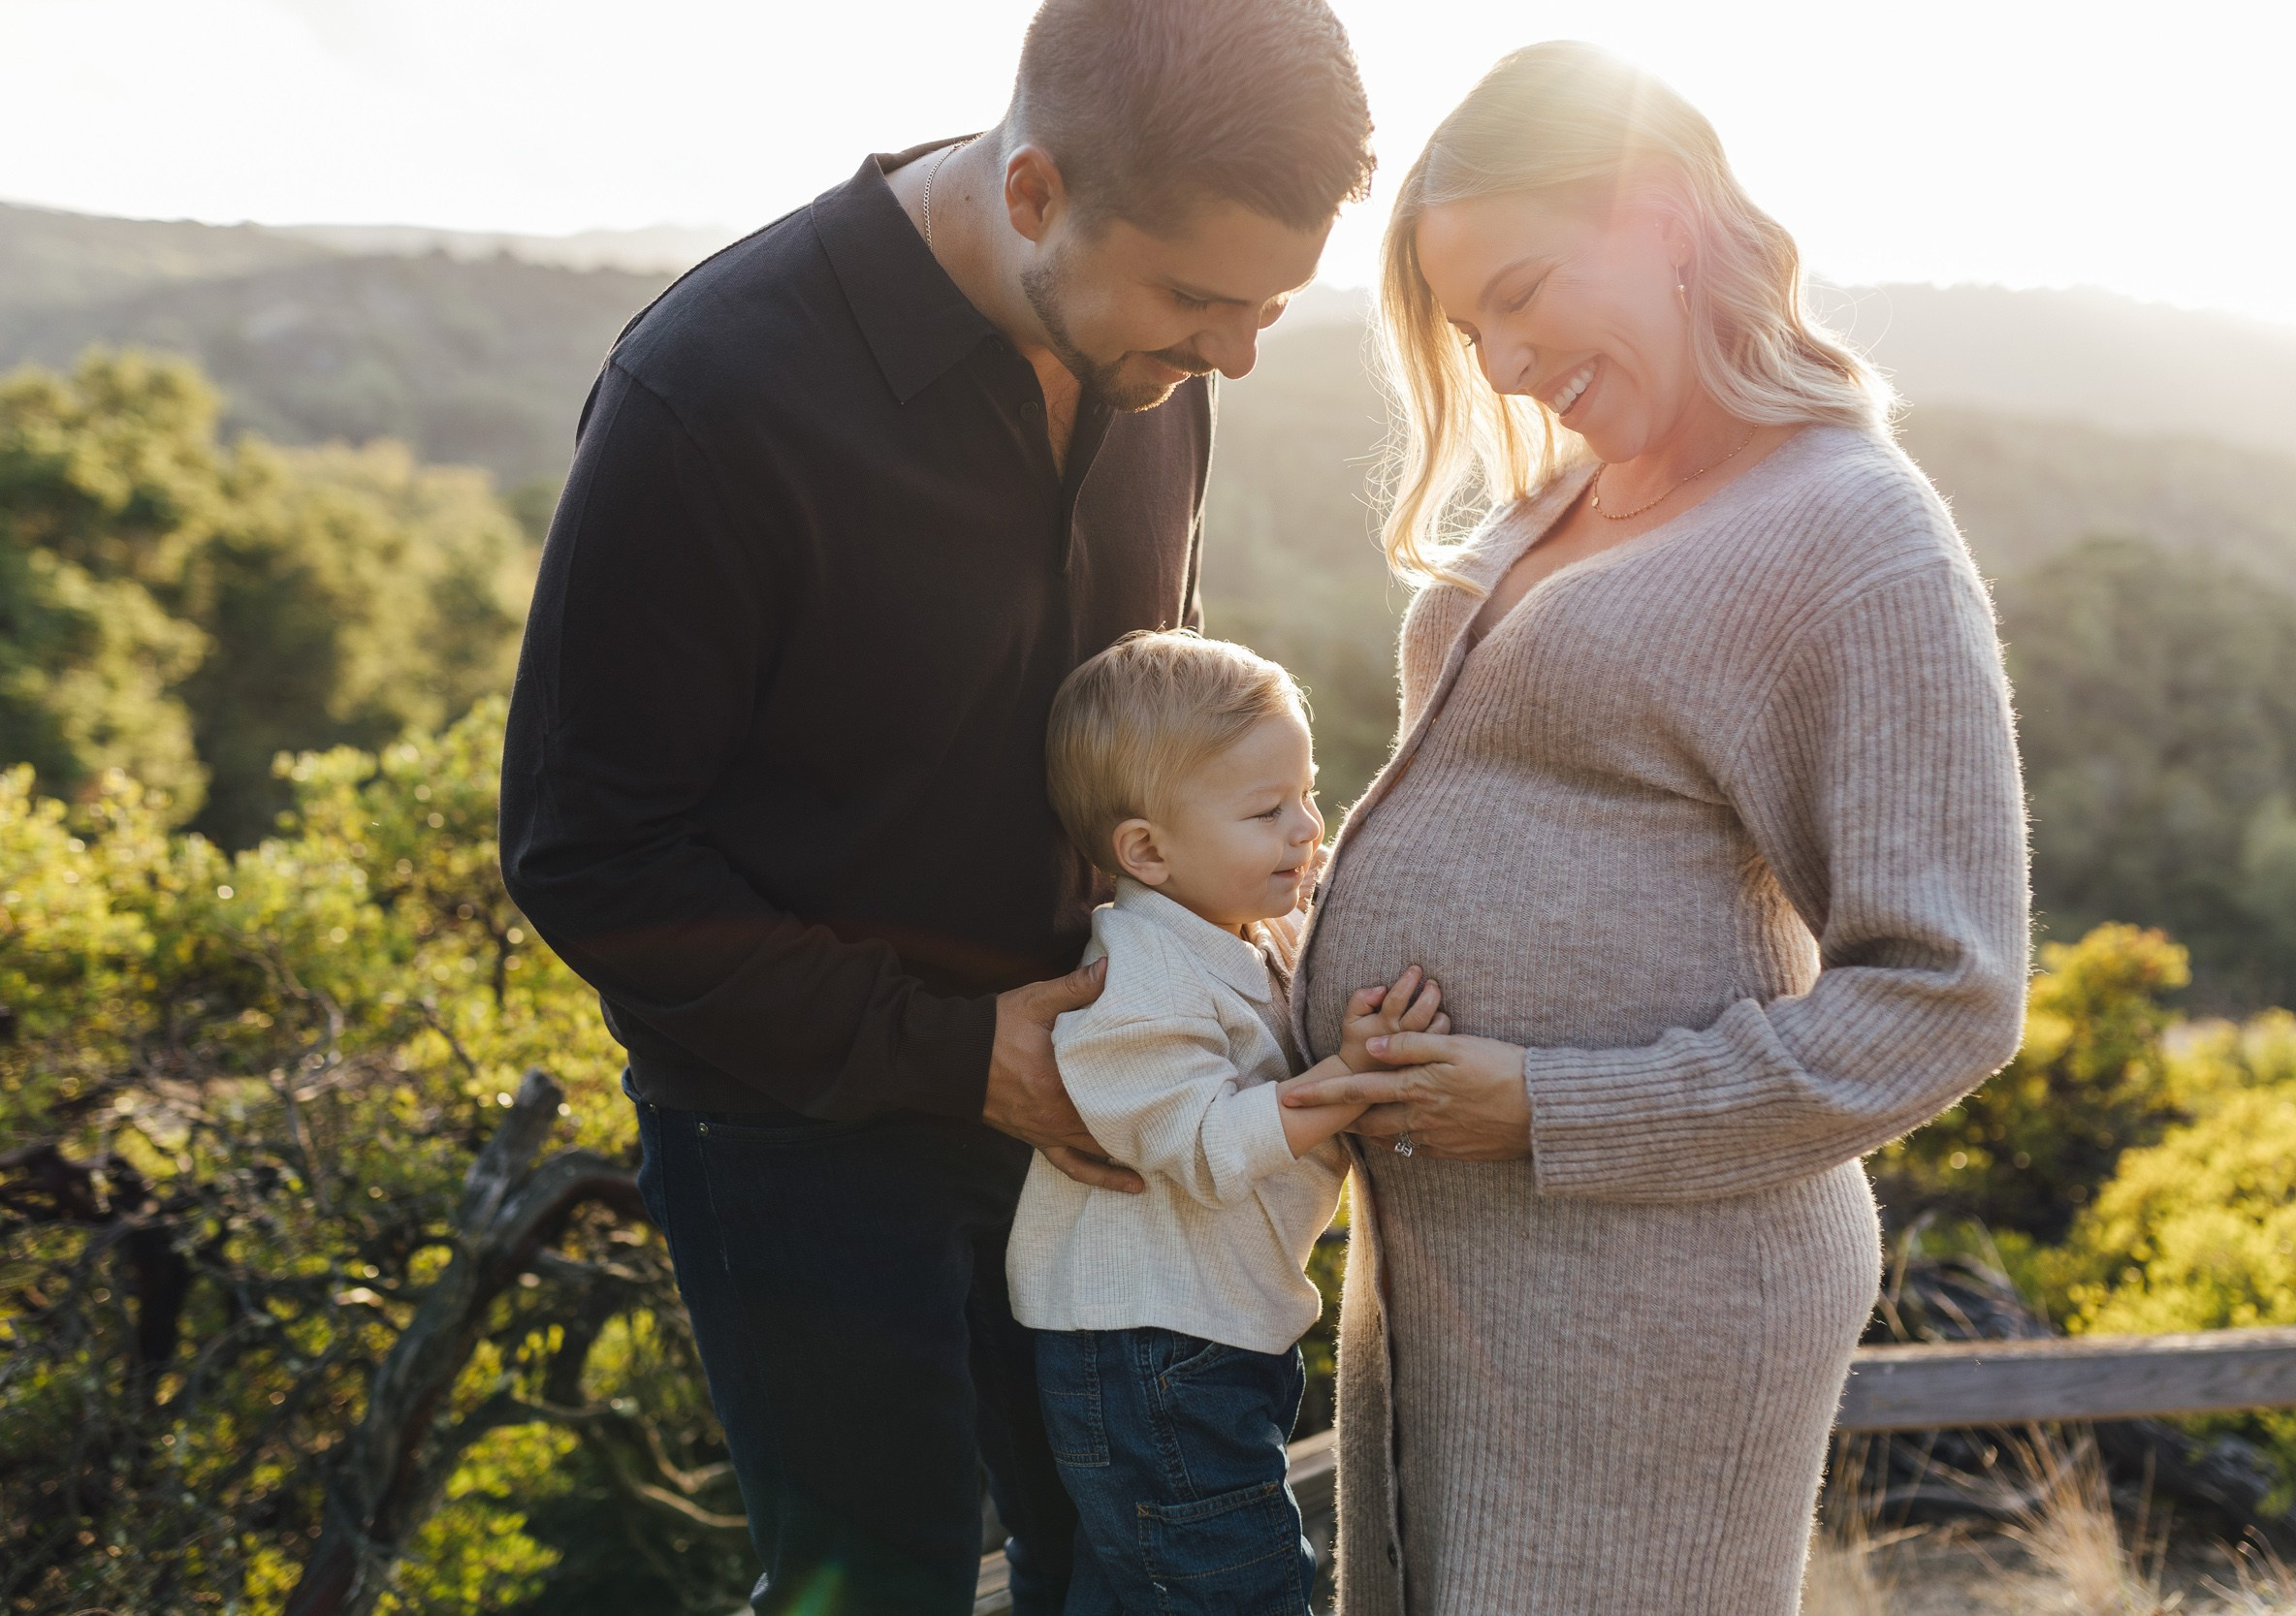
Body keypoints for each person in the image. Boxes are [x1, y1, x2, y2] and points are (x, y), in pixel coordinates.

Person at [495, 4, 1373, 1611]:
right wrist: (967, 1056)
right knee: (874, 1583)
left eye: (1267, 306)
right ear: (1032, 189)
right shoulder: (712, 393)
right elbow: (589, 854)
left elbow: (1135, 733)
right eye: (1199, 298)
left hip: (1102, 1104)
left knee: (1131, 1553)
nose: (1235, 353)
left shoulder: (1156, 358)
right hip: (799, 1129)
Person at [1278, 43, 2033, 1616]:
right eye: (1470, 321)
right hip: (1456, 1281)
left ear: (1669, 217)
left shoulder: (1849, 530)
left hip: (1652, 1303)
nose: (1500, 358)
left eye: (1526, 289)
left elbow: (1947, 993)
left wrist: (1556, 1105)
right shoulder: (1576, 499)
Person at [1007, 631, 1444, 1616]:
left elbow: (1281, 1055)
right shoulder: (1132, 980)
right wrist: (1348, 1076)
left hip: (1204, 1333)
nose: (1305, 828)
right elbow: (1206, 1142)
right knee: (1236, 1588)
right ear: (1146, 849)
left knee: (1138, 1593)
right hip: (1146, 1346)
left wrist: (1343, 1042)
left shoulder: (1242, 931)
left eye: (1308, 793)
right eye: (1265, 810)